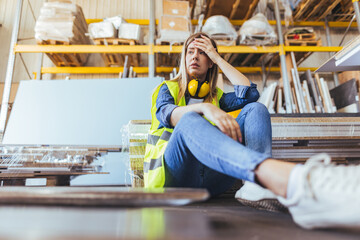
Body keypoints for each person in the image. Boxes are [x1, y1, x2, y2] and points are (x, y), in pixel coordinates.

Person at [143, 32, 360, 229]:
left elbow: (249, 94)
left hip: (212, 179)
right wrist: (203, 108)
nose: (195, 56)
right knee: (189, 119)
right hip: (177, 177)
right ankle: (282, 178)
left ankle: (257, 186)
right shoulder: (167, 89)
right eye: (190, 51)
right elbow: (166, 114)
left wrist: (218, 58)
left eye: (203, 52)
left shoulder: (218, 97)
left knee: (256, 108)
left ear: (210, 61)